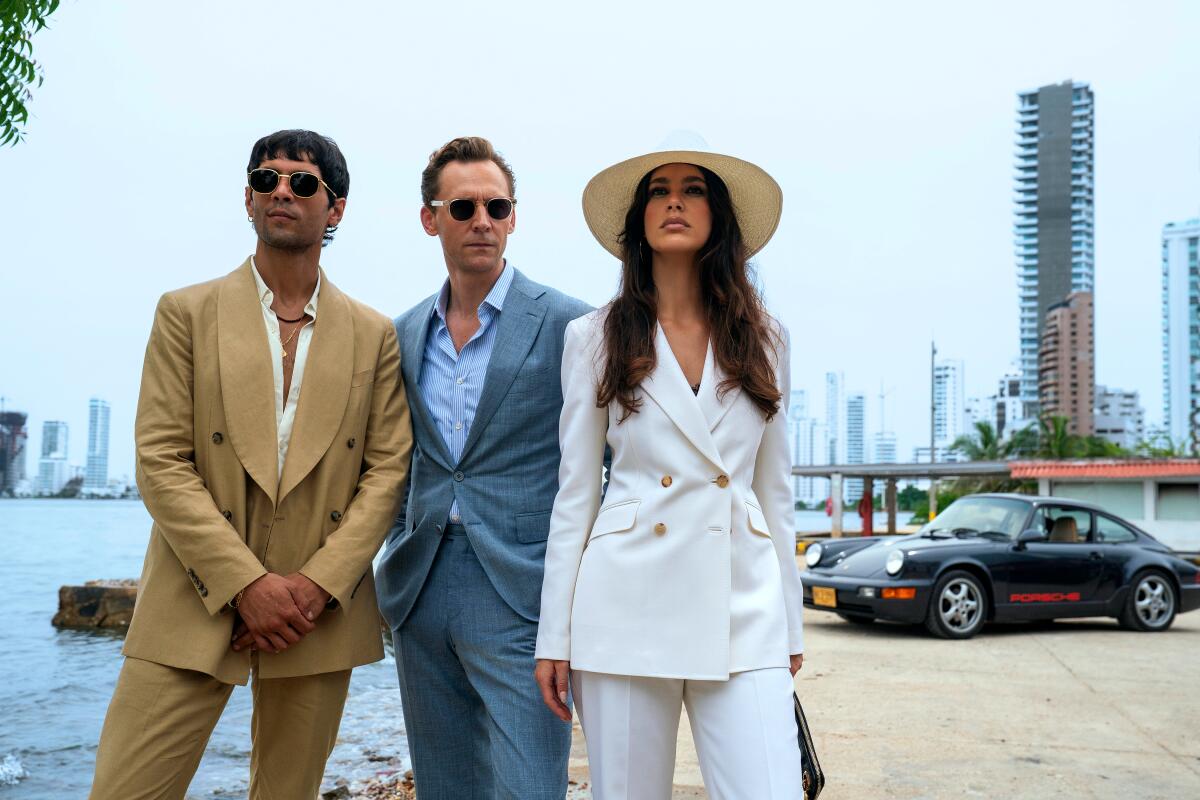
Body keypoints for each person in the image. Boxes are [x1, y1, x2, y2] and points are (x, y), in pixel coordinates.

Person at [89, 129, 412, 800]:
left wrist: (315, 586)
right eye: (266, 180)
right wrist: (245, 584)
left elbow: (387, 471)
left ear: (337, 208)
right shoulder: (186, 313)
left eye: (301, 182)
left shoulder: (374, 334)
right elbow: (160, 460)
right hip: (192, 598)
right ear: (247, 198)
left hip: (315, 613)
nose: (281, 192)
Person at [535, 150, 807, 799]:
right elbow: (575, 494)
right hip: (625, 606)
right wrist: (556, 635)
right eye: (660, 191)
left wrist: (790, 623)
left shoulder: (766, 338)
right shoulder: (594, 337)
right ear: (640, 218)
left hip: (743, 605)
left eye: (693, 190)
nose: (675, 202)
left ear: (719, 216)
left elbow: (775, 491)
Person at [374, 136, 591, 800]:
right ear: (430, 218)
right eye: (463, 207)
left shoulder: (571, 325)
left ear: (514, 216)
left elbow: (609, 462)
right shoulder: (403, 332)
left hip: (524, 593)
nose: (482, 222)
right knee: (445, 786)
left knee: (529, 785)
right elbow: (394, 462)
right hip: (422, 588)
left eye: (497, 206)